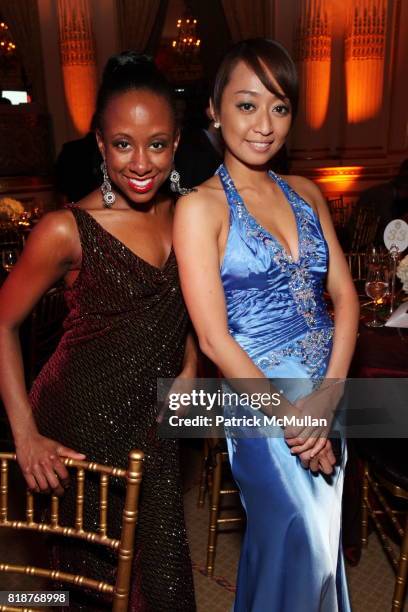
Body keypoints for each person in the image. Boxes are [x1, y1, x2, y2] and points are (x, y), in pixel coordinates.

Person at [0, 52, 196, 612]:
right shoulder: (66, 229)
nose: (141, 162)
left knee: (163, 583)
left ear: (176, 144)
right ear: (100, 144)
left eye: (157, 144)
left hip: (152, 428)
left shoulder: (187, 214)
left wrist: (186, 369)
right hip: (76, 427)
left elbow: (188, 310)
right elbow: (3, 321)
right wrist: (25, 433)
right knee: (86, 590)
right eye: (123, 144)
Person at [173, 39, 359, 611]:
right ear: (214, 107)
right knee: (297, 537)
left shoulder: (306, 192)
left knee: (320, 548)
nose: (264, 125)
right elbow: (211, 338)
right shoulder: (199, 208)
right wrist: (296, 419)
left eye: (279, 107)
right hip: (262, 404)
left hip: (328, 390)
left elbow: (346, 301)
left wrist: (327, 397)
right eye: (247, 105)